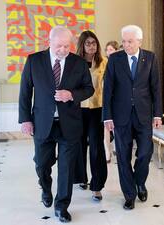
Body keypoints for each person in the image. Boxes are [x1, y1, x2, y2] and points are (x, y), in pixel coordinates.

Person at [18, 26, 94, 223]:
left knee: (66, 167)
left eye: (67, 46)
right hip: (43, 123)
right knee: (42, 164)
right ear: (49, 42)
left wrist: (72, 95)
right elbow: (25, 92)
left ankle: (62, 206)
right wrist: (25, 119)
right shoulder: (34, 61)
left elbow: (88, 89)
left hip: (69, 124)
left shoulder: (78, 63)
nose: (63, 50)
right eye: (59, 45)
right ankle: (45, 188)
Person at [103, 25, 162, 210]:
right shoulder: (114, 59)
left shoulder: (150, 58)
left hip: (144, 115)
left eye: (130, 41)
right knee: (122, 156)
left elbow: (156, 88)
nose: (126, 45)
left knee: (145, 152)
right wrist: (107, 117)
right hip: (121, 116)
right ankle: (129, 195)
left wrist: (158, 114)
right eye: (124, 41)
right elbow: (108, 90)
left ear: (139, 41)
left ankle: (139, 182)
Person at [74, 30, 108, 201]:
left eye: (94, 43)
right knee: (79, 146)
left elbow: (109, 88)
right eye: (88, 43)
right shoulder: (74, 63)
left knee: (96, 147)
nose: (91, 46)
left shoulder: (104, 63)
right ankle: (81, 178)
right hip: (78, 110)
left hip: (97, 109)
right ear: (82, 45)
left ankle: (97, 186)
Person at [103, 40, 120, 163]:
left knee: (117, 129)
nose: (109, 52)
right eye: (107, 50)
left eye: (111, 49)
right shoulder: (103, 63)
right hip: (105, 99)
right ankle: (107, 153)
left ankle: (117, 149)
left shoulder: (120, 63)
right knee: (106, 129)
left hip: (118, 101)